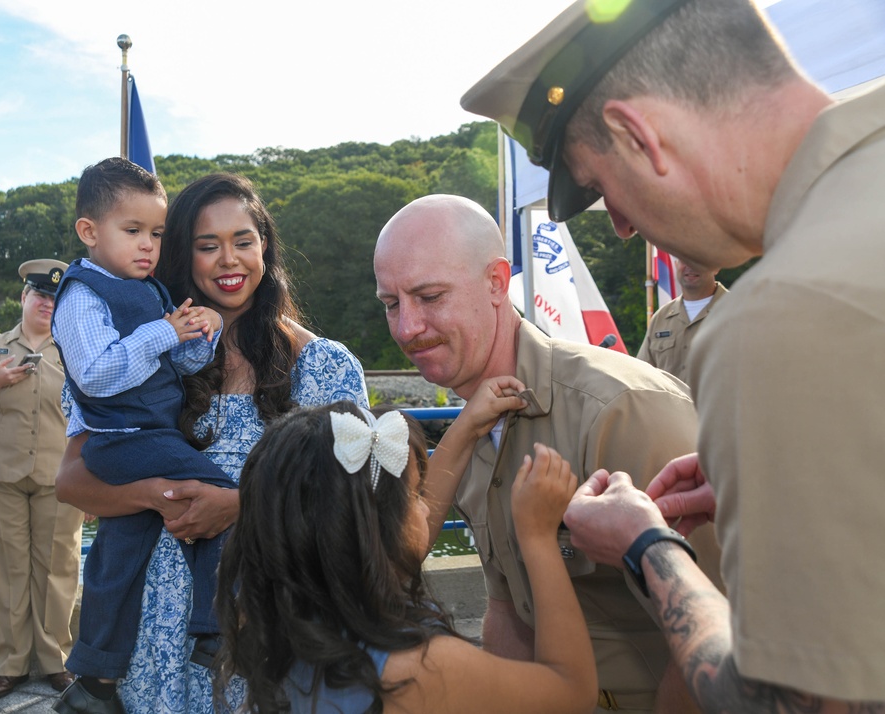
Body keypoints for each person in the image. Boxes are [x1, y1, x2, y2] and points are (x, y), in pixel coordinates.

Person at [462, 0, 885, 710]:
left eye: (602, 188)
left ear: (639, 134)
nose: (623, 228)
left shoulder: (780, 318)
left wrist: (647, 547)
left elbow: (775, 701)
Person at [374, 194, 722, 712]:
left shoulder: (620, 410)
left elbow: (718, 622)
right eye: (390, 303)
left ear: (497, 282)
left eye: (429, 296)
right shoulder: (472, 432)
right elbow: (508, 611)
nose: (407, 328)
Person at [55, 172, 369, 714]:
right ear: (182, 254)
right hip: (150, 629)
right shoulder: (135, 355)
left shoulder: (323, 364)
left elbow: (359, 497)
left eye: (243, 241)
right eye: (207, 246)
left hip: (268, 616)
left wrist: (237, 504)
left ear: (264, 247)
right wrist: (160, 496)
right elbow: (72, 481)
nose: (228, 260)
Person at [216, 397, 597, 714]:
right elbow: (572, 690)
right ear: (376, 530)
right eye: (415, 495)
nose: (427, 508)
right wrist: (538, 536)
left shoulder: (286, 630)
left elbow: (395, 541)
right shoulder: (419, 671)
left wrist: (464, 428)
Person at [51, 158, 236, 714]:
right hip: (123, 435)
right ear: (89, 231)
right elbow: (96, 374)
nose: (147, 246)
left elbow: (177, 365)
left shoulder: (149, 291)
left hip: (142, 434)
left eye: (156, 233)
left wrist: (203, 332)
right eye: (132, 230)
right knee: (222, 494)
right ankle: (216, 629)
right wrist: (162, 332)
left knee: (118, 557)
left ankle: (94, 680)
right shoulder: (83, 294)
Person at [0, 259, 83, 701]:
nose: (47, 303)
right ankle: (9, 666)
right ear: (24, 297)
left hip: (59, 477)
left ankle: (56, 662)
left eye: (55, 298)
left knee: (59, 570)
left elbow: (95, 416)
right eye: (40, 295)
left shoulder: (77, 351)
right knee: (8, 571)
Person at [636, 259, 726, 382]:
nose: (690, 266)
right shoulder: (661, 318)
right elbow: (642, 375)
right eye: (684, 259)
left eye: (697, 259)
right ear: (676, 264)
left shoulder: (739, 310)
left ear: (716, 267)